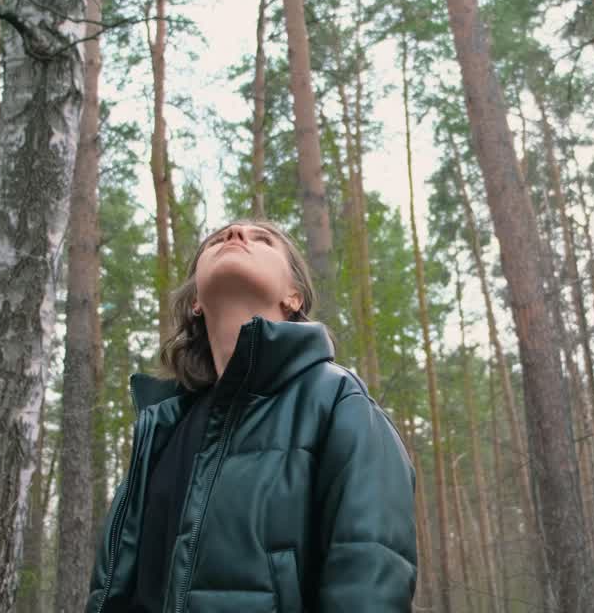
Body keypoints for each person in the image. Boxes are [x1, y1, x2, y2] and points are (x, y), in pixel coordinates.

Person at [86, 220, 417, 613]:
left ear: (293, 296)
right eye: (217, 239)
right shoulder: (160, 429)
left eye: (262, 240)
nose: (235, 236)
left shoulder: (337, 400)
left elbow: (371, 576)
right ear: (195, 301)